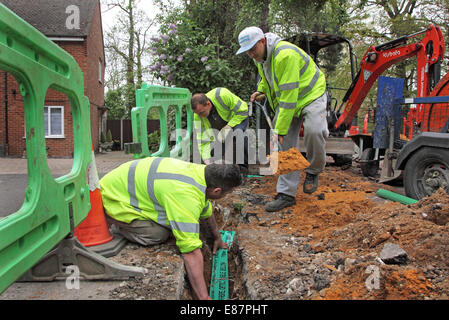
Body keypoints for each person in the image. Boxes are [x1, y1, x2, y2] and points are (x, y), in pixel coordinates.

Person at [100, 156, 242, 300]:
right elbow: (191, 251)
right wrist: (204, 298)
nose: (227, 195)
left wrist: (216, 237)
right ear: (217, 191)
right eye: (228, 193)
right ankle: (116, 223)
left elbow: (205, 209)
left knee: (178, 227)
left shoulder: (199, 174)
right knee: (158, 234)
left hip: (122, 184)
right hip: (113, 198)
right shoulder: (185, 196)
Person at [236, 26, 329, 212]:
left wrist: (280, 130)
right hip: (288, 99)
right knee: (284, 145)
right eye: (247, 52)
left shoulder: (285, 55)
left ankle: (313, 170)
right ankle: (286, 194)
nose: (251, 54)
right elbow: (267, 78)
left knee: (315, 130)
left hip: (311, 95)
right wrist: (262, 89)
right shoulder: (261, 58)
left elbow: (288, 98)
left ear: (262, 41)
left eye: (253, 49)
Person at [191, 88, 249, 177]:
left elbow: (243, 110)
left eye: (202, 112)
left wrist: (229, 126)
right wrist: (207, 160)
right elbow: (202, 140)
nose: (200, 116)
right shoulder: (198, 116)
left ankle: (242, 170)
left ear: (208, 104)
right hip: (220, 128)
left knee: (239, 136)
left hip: (237, 118)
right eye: (198, 114)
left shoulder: (222, 95)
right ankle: (217, 171)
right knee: (214, 150)